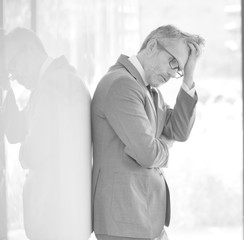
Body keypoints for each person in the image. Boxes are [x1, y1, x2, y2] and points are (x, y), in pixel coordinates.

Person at [91, 25, 205, 240]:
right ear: (152, 46)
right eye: (173, 63)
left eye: (178, 69)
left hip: (144, 218)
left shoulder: (149, 91)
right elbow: (148, 154)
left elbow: (179, 131)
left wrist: (188, 76)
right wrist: (165, 143)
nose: (173, 74)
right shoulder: (122, 84)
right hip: (124, 220)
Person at [2, 28, 92, 240]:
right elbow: (16, 132)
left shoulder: (54, 85)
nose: (14, 77)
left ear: (30, 50)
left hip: (56, 217)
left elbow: (34, 152)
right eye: (9, 73)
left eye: (13, 66)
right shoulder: (52, 83)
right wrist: (7, 90)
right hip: (63, 216)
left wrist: (23, 154)